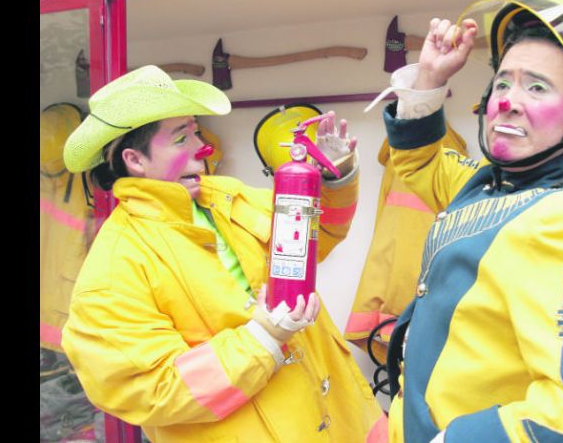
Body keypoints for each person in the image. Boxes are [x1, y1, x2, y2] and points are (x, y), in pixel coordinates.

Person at [364, 0, 563, 443]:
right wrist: (430, 81)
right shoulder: (481, 186)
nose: (506, 100)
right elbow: (419, 162)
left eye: (536, 87)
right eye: (502, 81)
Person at [60, 65, 383, 443]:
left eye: (196, 131)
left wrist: (333, 177)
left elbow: (317, 239)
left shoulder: (229, 196)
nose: (203, 146)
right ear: (135, 160)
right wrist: (263, 339)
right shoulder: (113, 268)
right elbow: (153, 388)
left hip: (345, 425)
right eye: (182, 138)